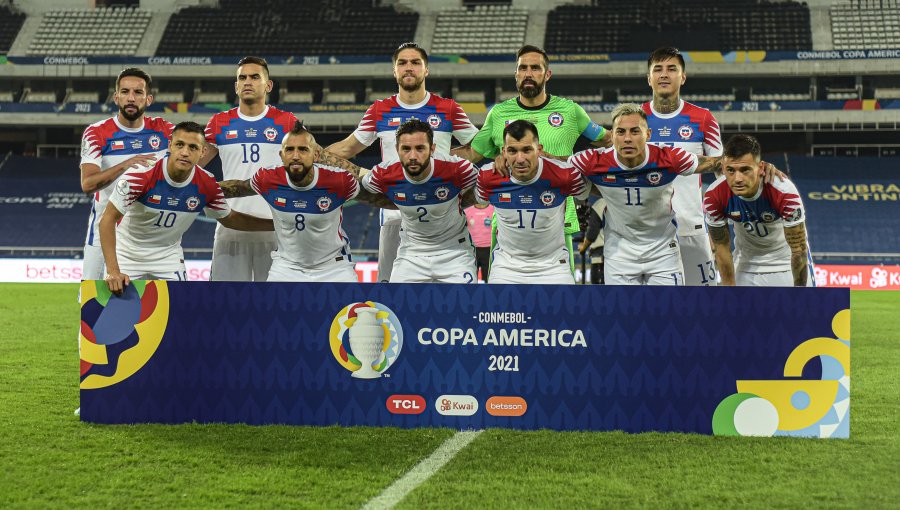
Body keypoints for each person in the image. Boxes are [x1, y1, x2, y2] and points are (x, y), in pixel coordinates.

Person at [322, 42, 478, 282]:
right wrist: (313, 158)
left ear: (426, 70)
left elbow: (479, 147)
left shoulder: (448, 108)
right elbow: (346, 148)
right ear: (394, 70)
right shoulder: (379, 110)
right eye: (402, 63)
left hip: (441, 210)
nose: (408, 68)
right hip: (394, 210)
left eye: (415, 63)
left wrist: (446, 164)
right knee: (391, 291)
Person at [452, 44, 610, 270]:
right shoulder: (498, 114)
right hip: (507, 224)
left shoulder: (570, 111)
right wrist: (428, 155)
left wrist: (552, 160)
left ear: (547, 74)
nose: (528, 73)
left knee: (558, 299)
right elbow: (469, 154)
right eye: (522, 68)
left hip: (558, 222)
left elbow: (608, 142)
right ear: (515, 74)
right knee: (501, 302)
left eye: (535, 68)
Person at [99, 122, 274, 295]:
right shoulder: (140, 176)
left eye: (193, 147)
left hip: (168, 258)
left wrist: (276, 225)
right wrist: (113, 270)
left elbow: (230, 218)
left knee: (178, 318)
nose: (184, 152)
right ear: (170, 146)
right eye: (180, 145)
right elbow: (107, 220)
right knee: (117, 319)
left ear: (203, 152)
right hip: (127, 255)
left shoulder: (207, 183)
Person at [569, 104, 723, 285]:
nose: (627, 138)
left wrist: (758, 166)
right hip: (619, 255)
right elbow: (557, 168)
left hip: (663, 253)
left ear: (648, 135)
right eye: (621, 132)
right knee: (623, 313)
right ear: (612, 135)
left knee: (667, 312)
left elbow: (713, 163)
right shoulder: (593, 161)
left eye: (635, 131)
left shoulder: (667, 157)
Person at [217, 122, 392, 282]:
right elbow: (238, 187)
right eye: (290, 150)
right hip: (286, 267)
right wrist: (199, 188)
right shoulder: (268, 179)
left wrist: (410, 203)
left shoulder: (339, 181)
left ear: (316, 154)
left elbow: (376, 199)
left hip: (334, 267)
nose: (295, 156)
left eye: (303, 149)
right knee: (272, 315)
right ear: (281, 154)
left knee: (348, 315)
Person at [200, 56, 298, 282]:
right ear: (236, 86)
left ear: (268, 85)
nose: (247, 82)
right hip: (231, 227)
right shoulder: (219, 122)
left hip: (276, 230)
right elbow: (192, 167)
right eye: (242, 78)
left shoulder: (287, 122)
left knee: (274, 305)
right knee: (226, 304)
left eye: (255, 77)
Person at [79, 67, 173, 281]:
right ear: (116, 97)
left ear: (148, 99)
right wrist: (125, 164)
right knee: (95, 306)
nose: (131, 98)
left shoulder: (165, 130)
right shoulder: (96, 133)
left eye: (138, 92)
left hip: (149, 234)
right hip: (105, 232)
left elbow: (195, 151)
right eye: (125, 92)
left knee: (157, 306)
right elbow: (88, 184)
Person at [358, 119, 478, 284]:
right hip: (411, 253)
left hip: (455, 252)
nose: (413, 156)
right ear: (397, 150)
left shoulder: (457, 169)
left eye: (420, 148)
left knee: (463, 306)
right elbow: (360, 190)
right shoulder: (383, 173)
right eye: (406, 149)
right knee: (397, 308)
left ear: (432, 149)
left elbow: (486, 183)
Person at [642, 47, 723, 286]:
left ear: (683, 77)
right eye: (658, 69)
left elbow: (721, 170)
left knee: (702, 305)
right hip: (646, 232)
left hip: (692, 228)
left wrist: (717, 229)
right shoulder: (634, 120)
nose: (664, 74)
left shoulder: (704, 118)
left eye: (672, 69)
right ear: (649, 78)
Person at [476, 120, 590, 285]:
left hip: (554, 267)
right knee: (498, 311)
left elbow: (593, 188)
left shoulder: (564, 175)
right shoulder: (488, 176)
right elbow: (467, 199)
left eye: (527, 150)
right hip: (506, 268)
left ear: (539, 150)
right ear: (503, 152)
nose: (520, 159)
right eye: (512, 151)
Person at [704, 135, 814, 287]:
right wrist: (728, 288)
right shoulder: (714, 195)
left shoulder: (783, 191)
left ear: (760, 168)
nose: (737, 179)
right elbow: (721, 247)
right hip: (745, 263)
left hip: (786, 262)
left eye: (745, 170)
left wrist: (799, 293)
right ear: (723, 167)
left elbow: (798, 249)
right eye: (730, 170)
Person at [578, 197, 607, 284]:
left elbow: (592, 232)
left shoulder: (601, 203)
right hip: (619, 255)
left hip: (600, 256)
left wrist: (583, 247)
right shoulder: (620, 202)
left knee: (599, 292)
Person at [465, 203, 494, 282]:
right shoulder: (467, 211)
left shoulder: (494, 210)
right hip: (472, 249)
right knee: (471, 278)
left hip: (489, 249)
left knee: (488, 279)